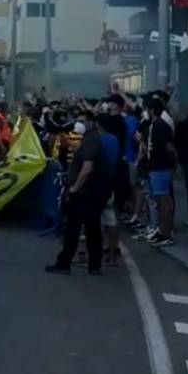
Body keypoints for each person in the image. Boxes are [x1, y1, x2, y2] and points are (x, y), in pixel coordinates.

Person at [46, 110, 106, 275]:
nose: (80, 123)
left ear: (93, 122)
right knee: (91, 229)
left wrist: (74, 188)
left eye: (84, 120)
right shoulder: (89, 140)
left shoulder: (91, 141)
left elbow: (87, 168)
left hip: (84, 193)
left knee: (74, 229)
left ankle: (65, 263)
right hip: (90, 192)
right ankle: (93, 265)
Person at [146, 97, 176, 247]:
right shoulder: (156, 125)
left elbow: (169, 147)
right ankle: (163, 232)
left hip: (161, 168)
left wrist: (171, 164)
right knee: (160, 201)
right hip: (157, 167)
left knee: (164, 202)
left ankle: (167, 234)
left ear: (152, 110)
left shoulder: (160, 126)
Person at [95, 113, 121, 266]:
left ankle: (94, 251)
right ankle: (113, 251)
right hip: (110, 181)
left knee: (94, 219)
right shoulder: (114, 140)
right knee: (110, 218)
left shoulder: (98, 140)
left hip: (97, 182)